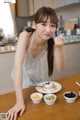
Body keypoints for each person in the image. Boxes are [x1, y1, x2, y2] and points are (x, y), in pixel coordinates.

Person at [7, 6, 65, 120]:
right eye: (43, 24)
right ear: (34, 24)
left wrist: (59, 48)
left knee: (39, 104)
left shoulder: (52, 40)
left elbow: (61, 68)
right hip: (22, 72)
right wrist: (19, 102)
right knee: (26, 105)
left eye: (52, 25)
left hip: (37, 71)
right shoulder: (26, 35)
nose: (48, 30)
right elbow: (17, 66)